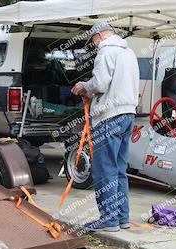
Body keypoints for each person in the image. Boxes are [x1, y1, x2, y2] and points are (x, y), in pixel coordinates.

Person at [72, 22, 139, 232]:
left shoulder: (106, 51)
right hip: (127, 114)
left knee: (104, 170)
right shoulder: (129, 53)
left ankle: (109, 219)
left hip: (109, 117)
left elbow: (100, 84)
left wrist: (85, 86)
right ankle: (122, 218)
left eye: (93, 40)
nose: (93, 45)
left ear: (99, 36)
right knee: (119, 169)